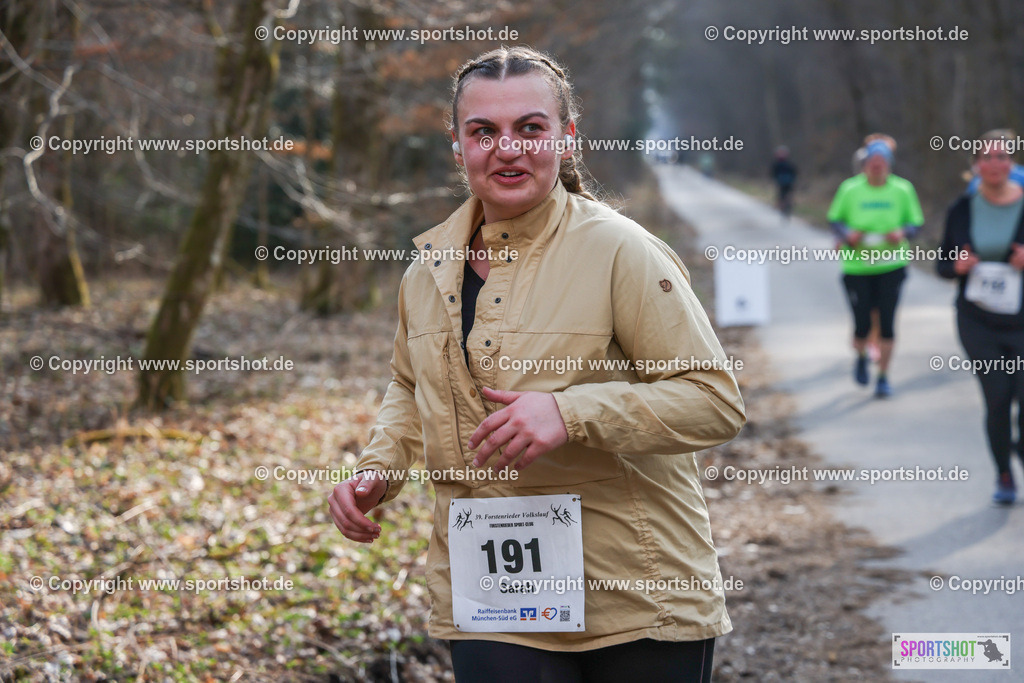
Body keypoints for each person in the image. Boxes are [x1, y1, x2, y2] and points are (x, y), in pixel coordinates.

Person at [327, 46, 745, 682]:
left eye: (530, 128)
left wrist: (572, 412)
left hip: (635, 596)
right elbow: (411, 384)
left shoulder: (620, 251)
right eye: (484, 131)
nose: (508, 149)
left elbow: (713, 400)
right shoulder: (428, 268)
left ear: (567, 137)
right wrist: (380, 469)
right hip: (490, 599)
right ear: (458, 144)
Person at [937, 131, 1024, 505]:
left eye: (1002, 157)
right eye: (986, 158)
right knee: (998, 397)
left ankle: (1016, 443)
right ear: (974, 165)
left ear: (1012, 164)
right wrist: (957, 267)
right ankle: (1004, 473)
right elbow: (941, 265)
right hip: (978, 320)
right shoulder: (961, 208)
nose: (994, 164)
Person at [827, 134, 924, 397]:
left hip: (891, 265)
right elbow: (834, 219)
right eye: (873, 161)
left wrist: (902, 233)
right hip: (857, 267)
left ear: (889, 164)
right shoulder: (850, 189)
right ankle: (860, 356)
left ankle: (883, 375)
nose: (877, 165)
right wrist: (847, 235)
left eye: (882, 161)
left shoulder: (903, 189)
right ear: (865, 164)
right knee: (862, 323)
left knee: (888, 322)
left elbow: (916, 224)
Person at [964, 129, 1024, 194]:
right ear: (977, 162)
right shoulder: (975, 185)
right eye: (987, 157)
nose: (994, 163)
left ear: (1012, 160)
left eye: (1001, 157)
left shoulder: (1021, 177)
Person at [770, 145, 797, 217]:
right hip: (781, 182)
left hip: (788, 182)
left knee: (787, 195)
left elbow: (794, 172)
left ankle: (786, 206)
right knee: (782, 195)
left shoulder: (788, 164)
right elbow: (773, 173)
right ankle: (782, 206)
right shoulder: (777, 164)